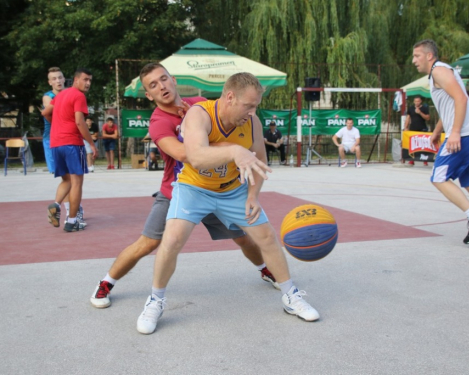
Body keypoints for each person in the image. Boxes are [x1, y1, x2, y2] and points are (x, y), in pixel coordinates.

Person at [136, 72, 319, 335]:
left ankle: (291, 297)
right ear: (230, 97)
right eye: (248, 105)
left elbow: (259, 162)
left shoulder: (252, 122)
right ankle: (155, 300)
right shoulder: (199, 114)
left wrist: (253, 195)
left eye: (255, 106)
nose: (252, 111)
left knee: (266, 237)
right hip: (194, 187)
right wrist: (234, 150)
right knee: (172, 239)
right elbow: (196, 157)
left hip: (232, 190)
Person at [90, 63, 278, 309]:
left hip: (217, 188)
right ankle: (106, 283)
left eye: (163, 79)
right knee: (148, 243)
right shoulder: (158, 123)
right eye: (153, 85)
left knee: (244, 238)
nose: (162, 87)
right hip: (179, 190)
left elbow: (227, 127)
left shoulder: (199, 104)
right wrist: (230, 149)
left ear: (173, 79)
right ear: (149, 95)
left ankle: (266, 269)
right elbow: (187, 154)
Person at [412, 39, 469, 244]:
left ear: (429, 56)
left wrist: (454, 133)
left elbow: (462, 99)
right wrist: (437, 131)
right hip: (464, 133)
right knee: (467, 179)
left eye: (417, 56)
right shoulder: (441, 72)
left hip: (462, 135)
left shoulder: (438, 71)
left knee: (439, 177)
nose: (413, 60)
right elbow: (451, 105)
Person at [42, 68, 97, 232]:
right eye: (85, 79)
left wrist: (57, 123)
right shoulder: (79, 96)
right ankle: (72, 221)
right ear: (76, 79)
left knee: (66, 180)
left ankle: (56, 204)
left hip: (56, 143)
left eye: (90, 81)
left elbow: (45, 112)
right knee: (77, 182)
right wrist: (92, 144)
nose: (88, 83)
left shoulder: (59, 95)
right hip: (72, 143)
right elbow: (80, 122)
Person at [42, 67, 65, 174]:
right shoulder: (47, 97)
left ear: (64, 79)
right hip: (52, 138)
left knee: (72, 173)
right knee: (57, 172)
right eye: (54, 79)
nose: (58, 81)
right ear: (50, 82)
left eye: (60, 78)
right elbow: (52, 113)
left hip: (68, 137)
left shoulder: (70, 93)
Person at [404, 96, 431, 166]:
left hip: (422, 128)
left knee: (423, 144)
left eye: (418, 101)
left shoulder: (424, 108)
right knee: (412, 145)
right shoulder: (411, 108)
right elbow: (408, 118)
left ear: (420, 101)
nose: (417, 103)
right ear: (414, 102)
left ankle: (425, 160)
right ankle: (412, 160)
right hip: (413, 128)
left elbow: (428, 118)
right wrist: (406, 127)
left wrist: (420, 113)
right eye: (415, 101)